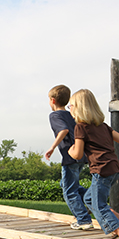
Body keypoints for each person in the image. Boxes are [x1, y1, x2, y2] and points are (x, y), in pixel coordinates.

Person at [68, 89, 119, 239]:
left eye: (71, 106)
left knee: (99, 205)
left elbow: (78, 155)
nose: (69, 109)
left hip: (100, 170)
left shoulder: (80, 127)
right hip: (113, 168)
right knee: (89, 199)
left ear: (79, 108)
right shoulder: (103, 126)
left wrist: (70, 150)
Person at [45, 85, 94, 230]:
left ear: (53, 100)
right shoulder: (71, 114)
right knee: (66, 184)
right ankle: (90, 200)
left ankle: (84, 219)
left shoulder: (54, 115)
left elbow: (63, 130)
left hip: (71, 156)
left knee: (69, 191)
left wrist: (52, 147)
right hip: (81, 155)